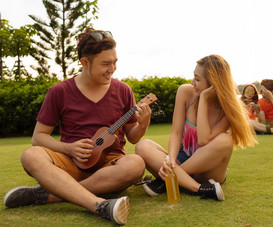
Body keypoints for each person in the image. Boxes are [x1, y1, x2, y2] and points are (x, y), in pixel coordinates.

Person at [2, 28, 152, 225]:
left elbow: (133, 137)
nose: (112, 68)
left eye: (115, 62)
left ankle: (56, 193)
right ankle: (98, 204)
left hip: (110, 165)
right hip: (70, 162)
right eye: (106, 63)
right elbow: (38, 137)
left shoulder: (123, 90)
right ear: (85, 62)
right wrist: (69, 148)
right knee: (31, 155)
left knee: (136, 164)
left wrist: (143, 124)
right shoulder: (59, 91)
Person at [135, 54, 257, 201]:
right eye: (194, 76)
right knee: (142, 146)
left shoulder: (228, 109)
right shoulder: (185, 92)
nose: (192, 82)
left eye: (198, 79)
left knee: (225, 140)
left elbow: (204, 140)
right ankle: (198, 188)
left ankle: (167, 179)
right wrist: (170, 160)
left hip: (208, 170)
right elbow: (176, 133)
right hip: (181, 161)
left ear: (213, 84)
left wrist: (204, 99)